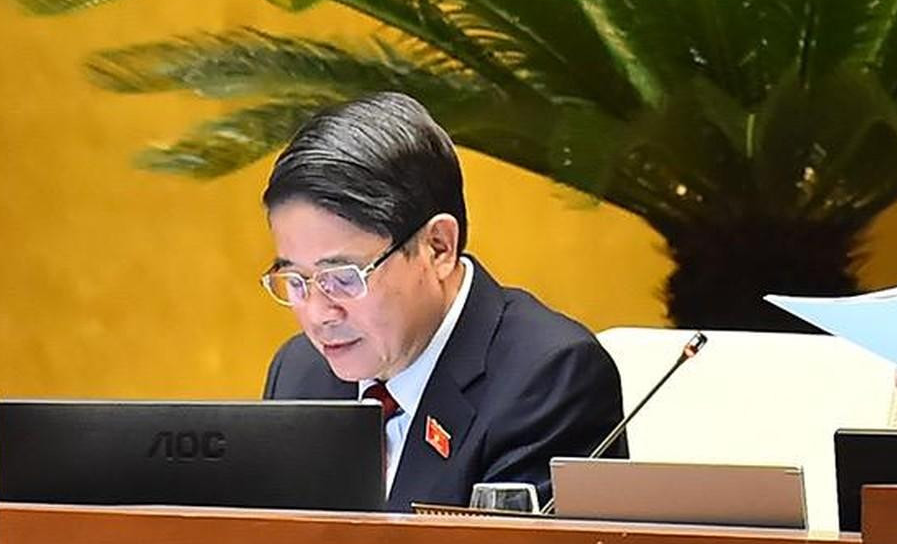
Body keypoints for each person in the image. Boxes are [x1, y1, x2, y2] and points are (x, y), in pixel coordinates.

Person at [260, 92, 625, 508]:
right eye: (295, 280)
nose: (319, 313)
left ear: (438, 247)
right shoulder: (299, 373)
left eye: (342, 278)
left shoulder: (549, 379)